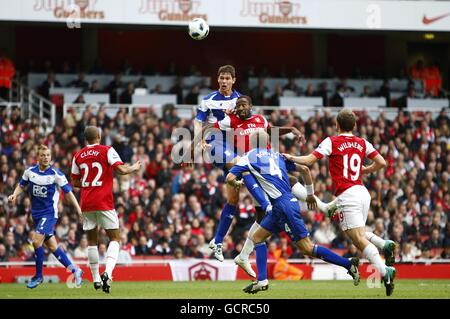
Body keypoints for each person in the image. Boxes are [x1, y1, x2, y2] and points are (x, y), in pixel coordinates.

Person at [206, 95, 334, 277]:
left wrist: (290, 129)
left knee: (260, 218)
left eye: (244, 105)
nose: (241, 108)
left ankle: (243, 256)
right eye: (238, 105)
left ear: (251, 106)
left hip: (267, 163)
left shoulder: (260, 119)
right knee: (287, 182)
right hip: (251, 166)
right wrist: (203, 141)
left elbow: (271, 130)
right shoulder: (231, 120)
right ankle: (323, 206)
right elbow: (212, 129)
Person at [226, 130, 360, 294]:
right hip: (283, 205)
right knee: (256, 237)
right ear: (268, 142)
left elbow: (229, 178)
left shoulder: (247, 157)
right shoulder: (277, 156)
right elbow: (304, 169)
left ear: (252, 143)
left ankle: (348, 264)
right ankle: (262, 280)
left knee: (307, 248)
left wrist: (237, 183)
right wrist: (310, 194)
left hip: (283, 206)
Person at [283, 108, 397, 296]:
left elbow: (310, 160)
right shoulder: (362, 142)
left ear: (336, 124)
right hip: (362, 192)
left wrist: (292, 157)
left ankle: (385, 272)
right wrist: (365, 170)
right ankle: (384, 244)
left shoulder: (332, 141)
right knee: (357, 233)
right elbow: (382, 162)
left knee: (357, 239)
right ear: (354, 125)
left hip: (348, 194)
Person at [71, 126, 141, 293]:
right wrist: (134, 167)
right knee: (115, 238)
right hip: (104, 202)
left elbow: (74, 182)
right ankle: (107, 273)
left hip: (86, 202)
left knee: (92, 241)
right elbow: (122, 170)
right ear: (99, 137)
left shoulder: (78, 155)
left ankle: (95, 279)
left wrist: (88, 184)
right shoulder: (107, 150)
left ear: (86, 139)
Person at [7, 145, 84, 289]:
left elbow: (69, 193)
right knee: (53, 246)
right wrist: (14, 194)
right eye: (43, 155)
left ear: (51, 157)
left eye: (48, 155)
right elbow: (21, 185)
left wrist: (79, 209)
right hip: (36, 214)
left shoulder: (56, 174)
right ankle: (75, 270)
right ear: (38, 157)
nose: (46, 157)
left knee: (36, 242)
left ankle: (38, 276)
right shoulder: (30, 172)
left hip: (49, 214)